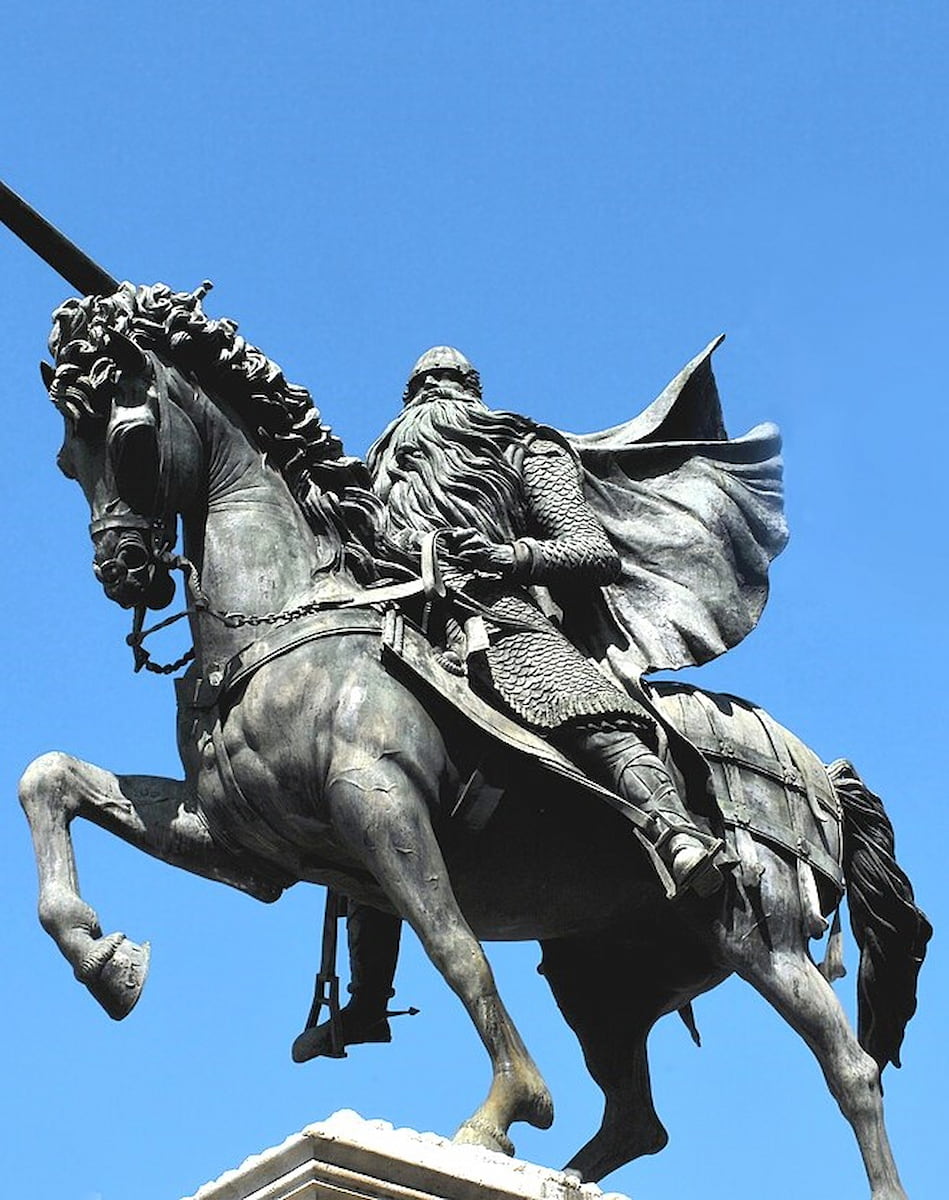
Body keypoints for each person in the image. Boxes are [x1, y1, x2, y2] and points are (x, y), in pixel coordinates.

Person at [293, 344, 778, 1062]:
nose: (432, 398)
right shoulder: (379, 475)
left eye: (445, 384)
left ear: (470, 392)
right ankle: (367, 1002)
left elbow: (591, 552)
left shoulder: (521, 448)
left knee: (571, 699)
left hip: (507, 620)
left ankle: (676, 832)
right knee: (360, 776)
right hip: (407, 631)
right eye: (421, 388)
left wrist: (509, 558)